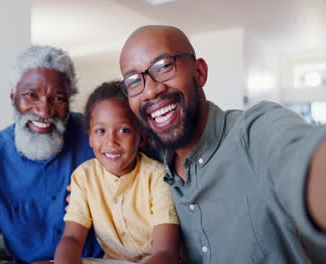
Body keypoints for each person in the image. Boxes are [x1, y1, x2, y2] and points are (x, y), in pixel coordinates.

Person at [118, 25, 326, 263]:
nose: (151, 91)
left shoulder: (254, 132)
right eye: (133, 81)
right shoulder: (156, 171)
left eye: (164, 66)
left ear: (199, 72)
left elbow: (302, 158)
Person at [0, 45, 102, 264]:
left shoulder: (98, 139)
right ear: (13, 96)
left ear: (69, 100)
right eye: (31, 95)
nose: (44, 111)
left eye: (58, 98)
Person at [53, 81, 180, 264]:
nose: (111, 141)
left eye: (123, 130)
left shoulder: (157, 177)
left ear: (141, 137)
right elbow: (72, 239)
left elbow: (166, 253)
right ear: (90, 138)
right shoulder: (84, 177)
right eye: (101, 131)